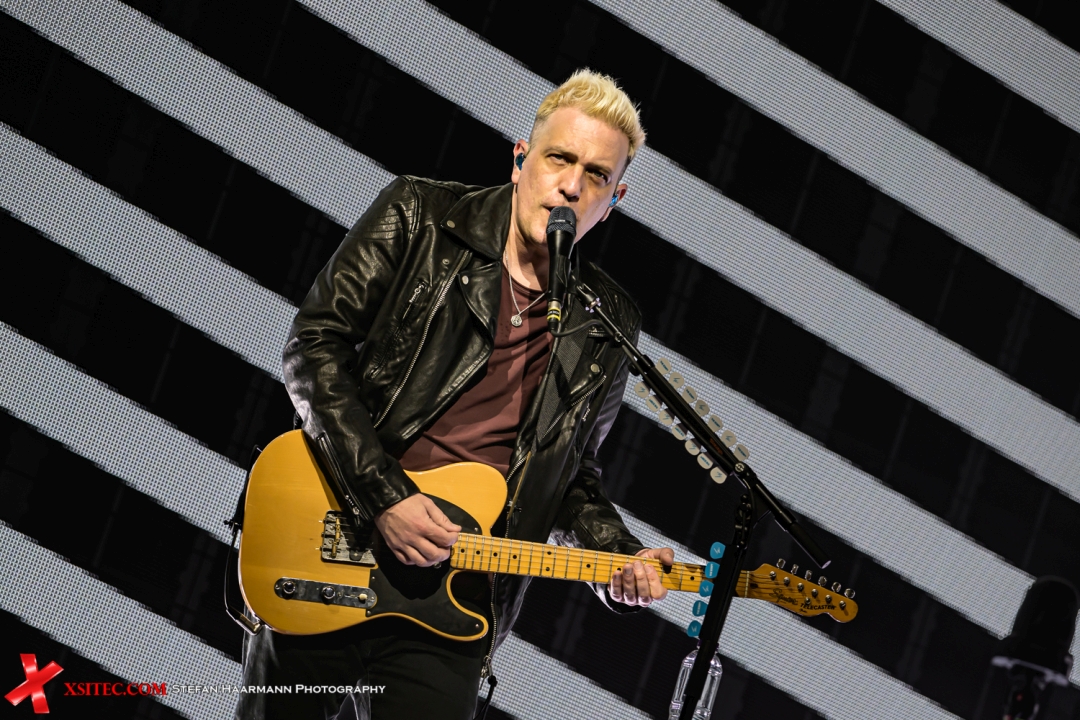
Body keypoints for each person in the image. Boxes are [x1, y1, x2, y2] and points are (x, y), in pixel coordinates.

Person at [234, 69, 676, 720]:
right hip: (336, 538)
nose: (571, 186)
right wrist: (386, 497)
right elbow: (314, 347)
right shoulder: (420, 214)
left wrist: (619, 556)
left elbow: (569, 478)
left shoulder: (606, 320)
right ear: (521, 159)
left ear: (614, 199)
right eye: (559, 158)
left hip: (456, 596)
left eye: (597, 175)